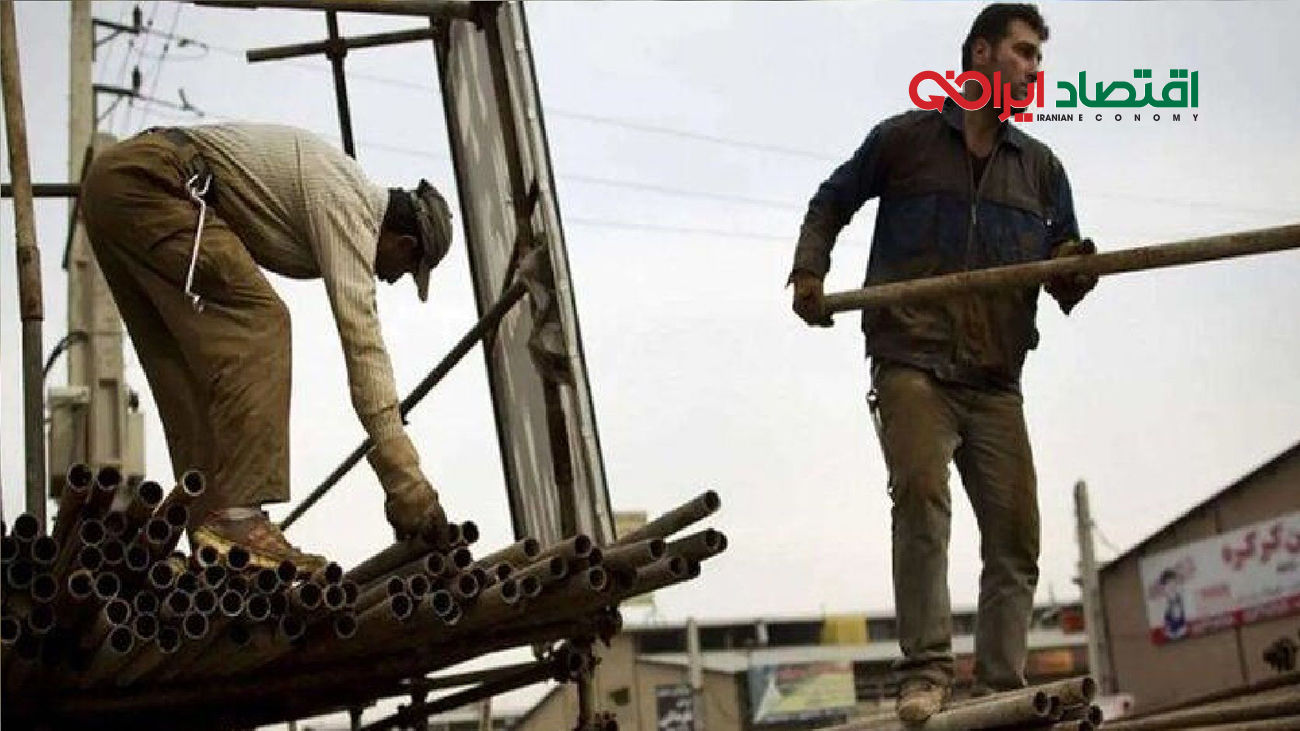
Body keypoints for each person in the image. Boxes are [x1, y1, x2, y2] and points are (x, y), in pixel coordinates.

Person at [787, 4, 1097, 723]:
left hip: (995, 380)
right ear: (981, 54)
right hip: (912, 361)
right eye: (1023, 52)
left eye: (1039, 58)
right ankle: (924, 673)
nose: (1034, 69)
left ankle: (997, 689)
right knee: (922, 497)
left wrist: (1076, 267)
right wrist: (809, 272)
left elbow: (1063, 272)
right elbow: (831, 201)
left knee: (1016, 537)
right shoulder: (905, 141)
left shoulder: (1041, 170)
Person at [81, 123, 455, 575]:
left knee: (189, 368)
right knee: (263, 322)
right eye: (407, 269)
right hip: (156, 183)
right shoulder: (351, 206)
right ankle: (238, 517)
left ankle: (210, 532)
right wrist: (405, 478)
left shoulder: (338, 192)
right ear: (405, 243)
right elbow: (363, 343)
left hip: (114, 189)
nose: (393, 279)